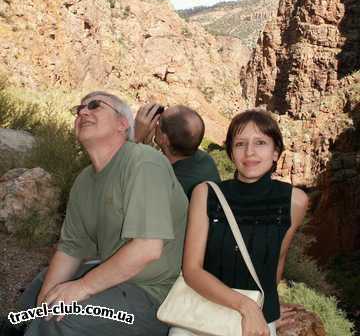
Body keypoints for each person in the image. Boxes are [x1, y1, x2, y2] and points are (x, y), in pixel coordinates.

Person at [19, 91, 188, 336]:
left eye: (95, 106)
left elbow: (147, 248)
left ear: (122, 124)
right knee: (39, 292)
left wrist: (82, 287)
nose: (83, 112)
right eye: (79, 109)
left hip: (154, 297)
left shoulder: (144, 162)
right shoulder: (84, 181)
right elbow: (70, 249)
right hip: (117, 281)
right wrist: (43, 304)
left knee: (61, 319)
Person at [174, 109, 308, 336]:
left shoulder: (295, 200)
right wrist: (245, 306)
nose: (250, 152)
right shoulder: (206, 194)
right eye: (240, 144)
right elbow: (191, 270)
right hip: (199, 317)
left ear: (276, 152)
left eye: (261, 143)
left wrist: (269, 307)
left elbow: (277, 262)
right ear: (230, 153)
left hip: (255, 325)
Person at [134, 103, 220, 198]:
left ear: (164, 139)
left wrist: (135, 138)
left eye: (159, 122)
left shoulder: (167, 184)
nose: (156, 124)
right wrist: (146, 147)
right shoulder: (205, 160)